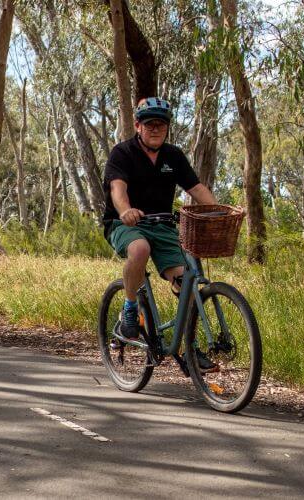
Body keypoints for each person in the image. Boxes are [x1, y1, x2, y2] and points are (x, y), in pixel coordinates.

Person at [103, 97, 219, 370]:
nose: (156, 129)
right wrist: (125, 210)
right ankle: (130, 309)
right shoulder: (123, 153)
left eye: (161, 124)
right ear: (138, 125)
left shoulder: (173, 156)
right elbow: (117, 190)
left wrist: (218, 211)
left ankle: (189, 349)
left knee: (187, 282)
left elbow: (197, 189)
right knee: (140, 249)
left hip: (163, 226)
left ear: (167, 127)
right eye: (150, 124)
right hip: (125, 224)